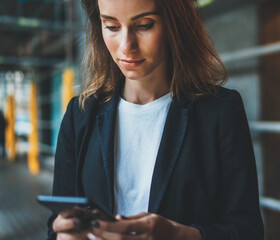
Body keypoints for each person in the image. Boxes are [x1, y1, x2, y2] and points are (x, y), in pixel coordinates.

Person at [48, 0, 264, 239]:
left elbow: (248, 231)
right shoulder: (79, 115)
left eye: (144, 25)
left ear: (175, 24)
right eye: (111, 26)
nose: (126, 45)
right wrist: (63, 235)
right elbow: (56, 223)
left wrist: (178, 235)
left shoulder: (221, 112)